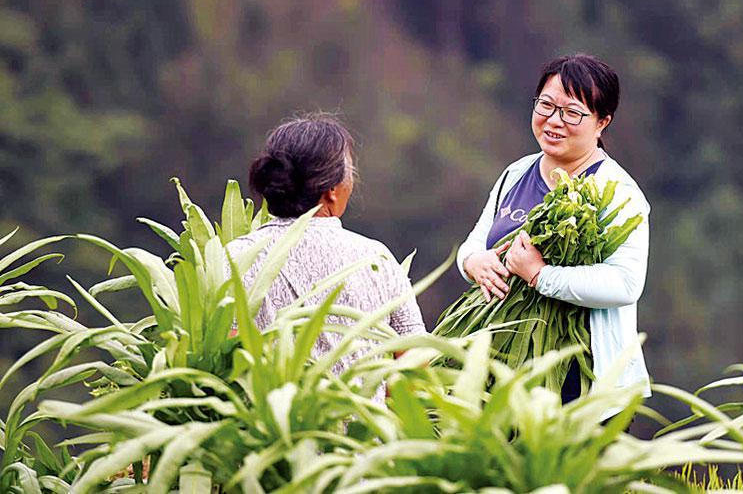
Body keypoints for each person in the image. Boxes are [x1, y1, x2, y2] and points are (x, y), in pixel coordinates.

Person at [456, 54, 651, 415]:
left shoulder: (617, 192)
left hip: (584, 384)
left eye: (572, 112)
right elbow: (476, 241)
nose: (554, 120)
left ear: (602, 122)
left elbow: (625, 284)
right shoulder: (516, 174)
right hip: (501, 373)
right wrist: (473, 262)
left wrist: (540, 276)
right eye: (546, 105)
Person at [227, 114, 427, 403]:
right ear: (331, 190)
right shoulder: (375, 259)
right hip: (361, 441)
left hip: (266, 439)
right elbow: (415, 361)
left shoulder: (235, 258)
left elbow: (224, 353)